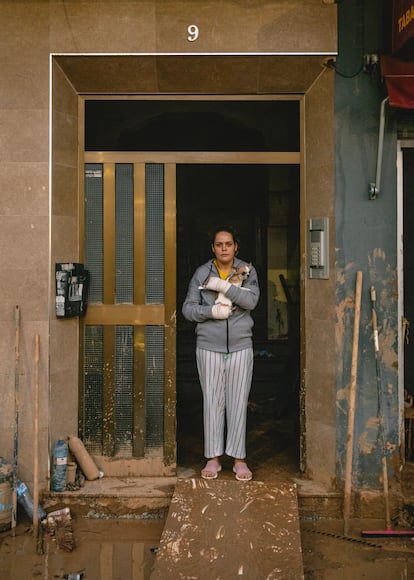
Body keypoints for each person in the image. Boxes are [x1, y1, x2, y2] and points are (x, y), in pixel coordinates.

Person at [182, 226, 260, 481]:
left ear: (236, 246)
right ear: (213, 248)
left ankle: (239, 460)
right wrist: (211, 312)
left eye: (228, 244)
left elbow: (251, 302)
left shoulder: (247, 271)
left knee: (238, 402)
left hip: (240, 345)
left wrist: (222, 287)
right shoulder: (201, 273)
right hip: (209, 345)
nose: (224, 248)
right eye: (219, 244)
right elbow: (188, 309)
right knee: (212, 402)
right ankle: (213, 458)